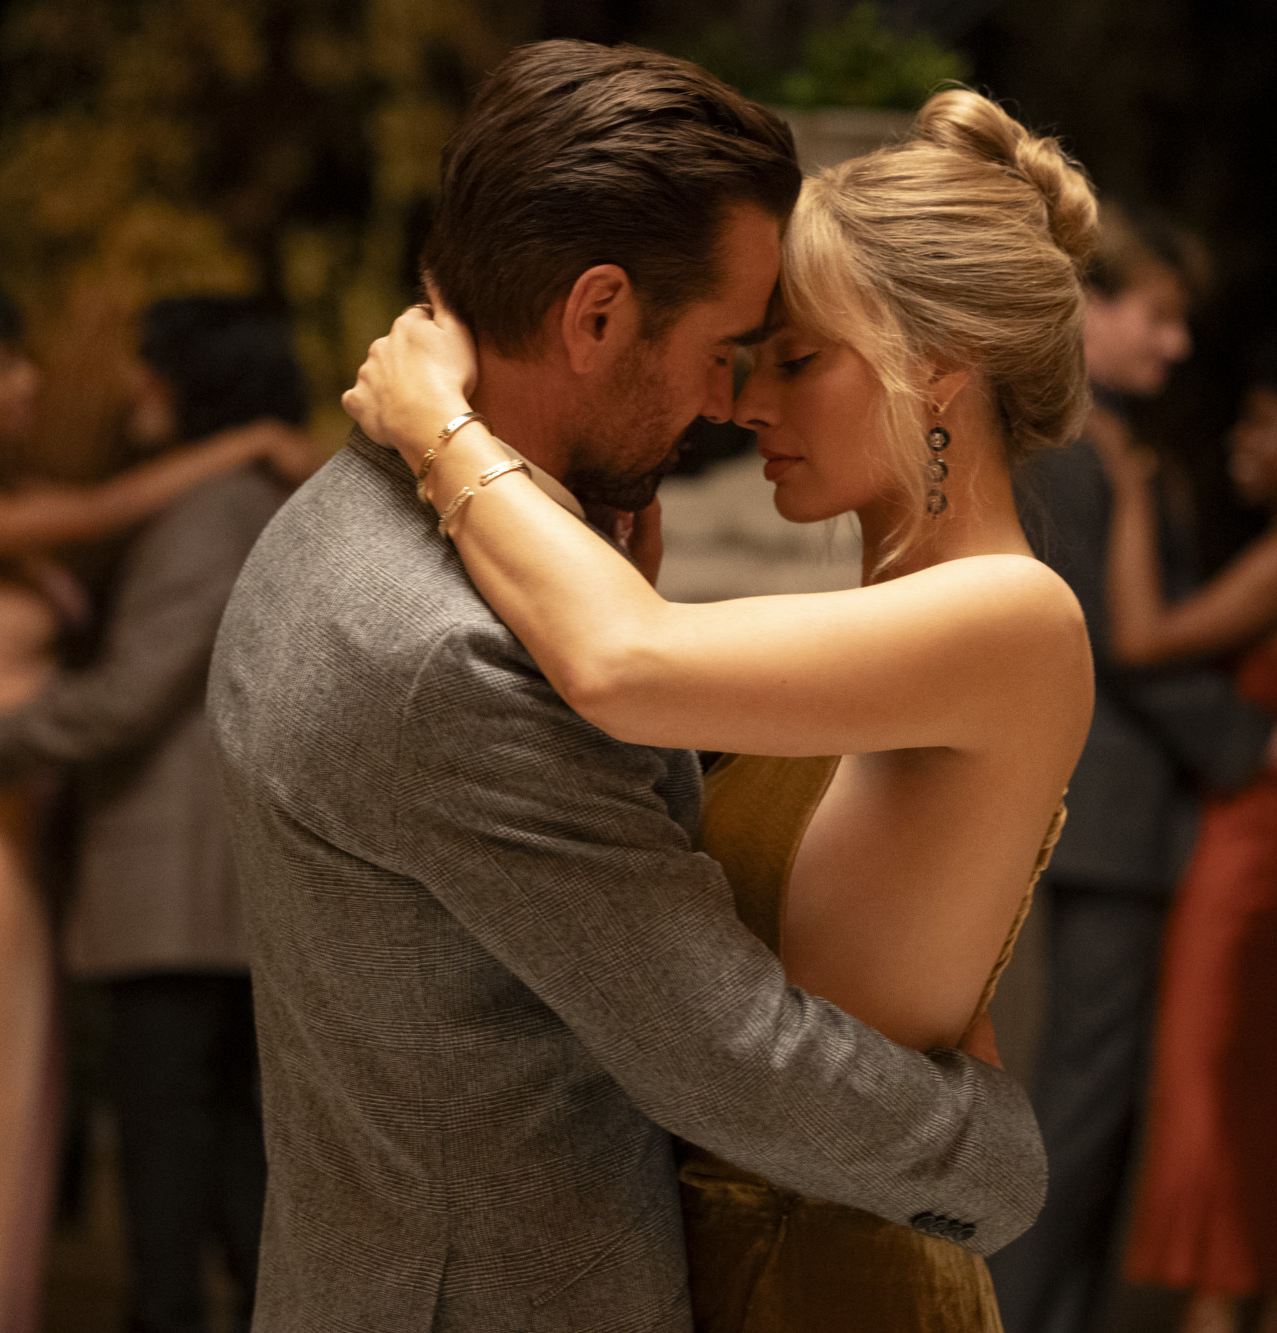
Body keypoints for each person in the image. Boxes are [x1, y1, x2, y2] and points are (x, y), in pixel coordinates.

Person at [209, 46, 1059, 1333]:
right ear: (597, 315)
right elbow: (719, 1046)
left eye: (790, 358)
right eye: (732, 349)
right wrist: (993, 1156)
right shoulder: (457, 649)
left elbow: (623, 706)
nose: (731, 403)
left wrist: (450, 440)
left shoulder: (325, 530)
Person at [0, 281, 315, 1333]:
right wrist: (250, 439)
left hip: (29, 828)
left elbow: (123, 651)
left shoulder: (112, 506)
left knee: (27, 1108)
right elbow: (100, 516)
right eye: (0, 364)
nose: (36, 382)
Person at [990, 213, 1277, 1333]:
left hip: (1132, 814)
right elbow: (1110, 642)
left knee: (1103, 1104)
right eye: (1157, 316)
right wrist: (1262, 739)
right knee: (1083, 1100)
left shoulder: (1111, 442)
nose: (1177, 343)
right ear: (1089, 309)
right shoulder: (1069, 446)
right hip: (1110, 815)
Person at [1108, 330, 1277, 1333]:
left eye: (1266, 423)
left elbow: (1142, 638)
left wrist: (1130, 496)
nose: (1242, 438)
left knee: (1211, 1092)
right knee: (1272, 1099)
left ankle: (1214, 1305)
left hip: (1253, 852)